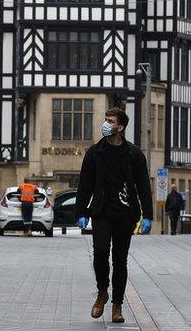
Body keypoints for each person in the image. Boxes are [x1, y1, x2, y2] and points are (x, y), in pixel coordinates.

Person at [75, 108, 153, 324]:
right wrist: (81, 211)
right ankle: (102, 292)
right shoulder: (95, 152)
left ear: (121, 127)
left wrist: (148, 215)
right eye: (105, 120)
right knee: (100, 253)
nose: (106, 124)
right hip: (101, 212)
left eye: (110, 121)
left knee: (120, 260)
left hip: (125, 214)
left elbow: (144, 187)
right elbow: (85, 185)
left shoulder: (134, 154)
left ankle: (117, 305)